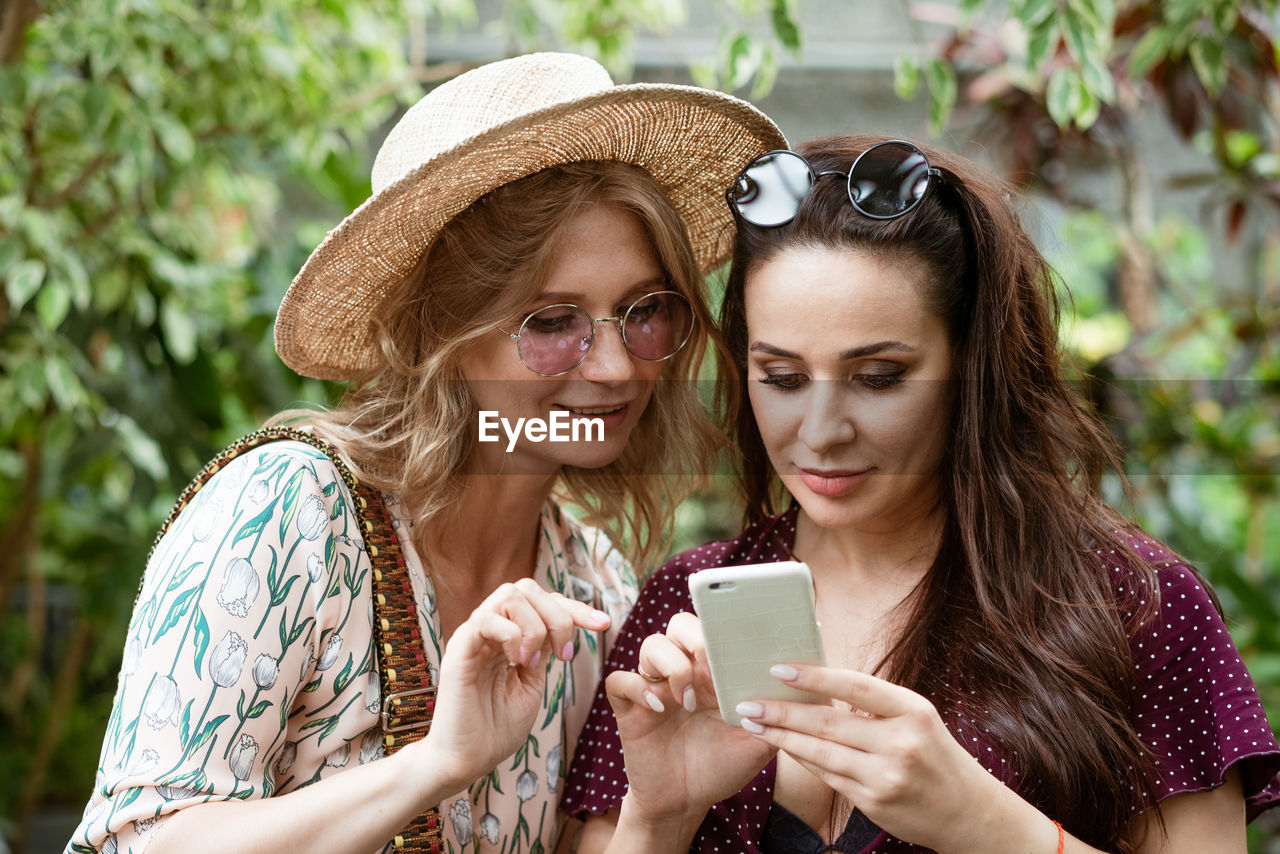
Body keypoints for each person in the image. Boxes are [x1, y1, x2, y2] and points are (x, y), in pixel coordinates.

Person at [65, 52, 785, 854]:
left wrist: (661, 808)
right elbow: (136, 843)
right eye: (552, 323)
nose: (616, 367)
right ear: (441, 333)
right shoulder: (288, 514)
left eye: (644, 311)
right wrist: (436, 764)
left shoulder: (594, 590)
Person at [561, 135, 1280, 853]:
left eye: (877, 377)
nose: (820, 431)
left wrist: (990, 827)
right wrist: (659, 818)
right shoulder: (685, 608)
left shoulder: (1134, 604)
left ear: (971, 360)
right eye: (781, 377)